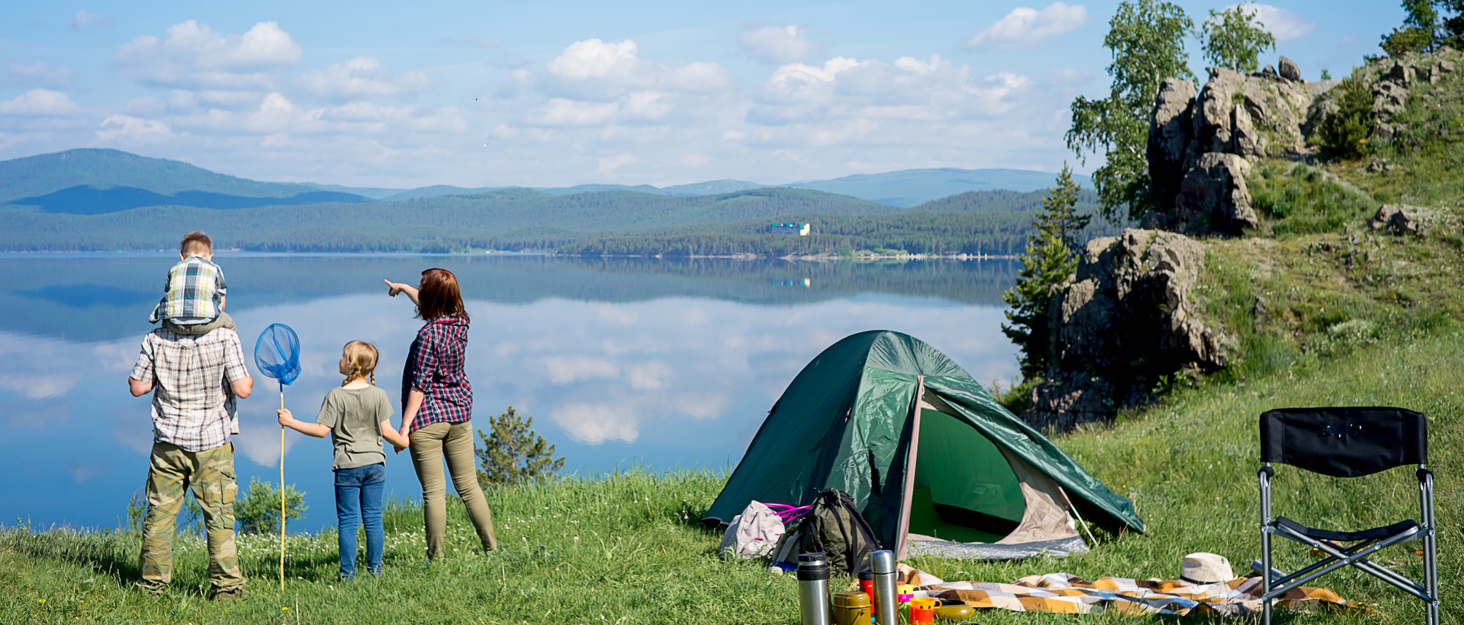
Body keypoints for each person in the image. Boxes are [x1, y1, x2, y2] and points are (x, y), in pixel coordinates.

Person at [128, 286, 253, 600]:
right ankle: (226, 588)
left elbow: (138, 387)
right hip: (212, 445)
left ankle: (152, 586)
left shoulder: (155, 338)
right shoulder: (225, 337)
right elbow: (243, 388)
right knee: (219, 517)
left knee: (159, 515)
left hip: (168, 444)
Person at [383, 268, 499, 561]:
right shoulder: (462, 322)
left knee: (434, 493)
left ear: (431, 298)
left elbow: (419, 386)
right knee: (469, 487)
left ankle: (436, 560)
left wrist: (404, 429)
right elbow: (431, 303)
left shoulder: (427, 335)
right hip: (459, 412)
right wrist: (403, 288)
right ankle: (492, 550)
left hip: (427, 419)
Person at [277, 340, 408, 580]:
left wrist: (291, 422)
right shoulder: (379, 394)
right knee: (373, 518)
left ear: (350, 363)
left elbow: (321, 430)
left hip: (347, 466)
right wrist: (402, 442)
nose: (339, 360)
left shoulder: (335, 395)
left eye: (342, 356)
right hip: (375, 465)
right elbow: (387, 431)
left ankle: (347, 575)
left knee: (348, 521)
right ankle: (375, 572)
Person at [149, 231, 236, 336]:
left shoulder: (173, 269)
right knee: (230, 324)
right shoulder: (215, 269)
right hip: (205, 323)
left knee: (166, 319)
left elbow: (169, 293)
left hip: (175, 324)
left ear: (182, 257)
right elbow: (222, 301)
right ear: (210, 257)